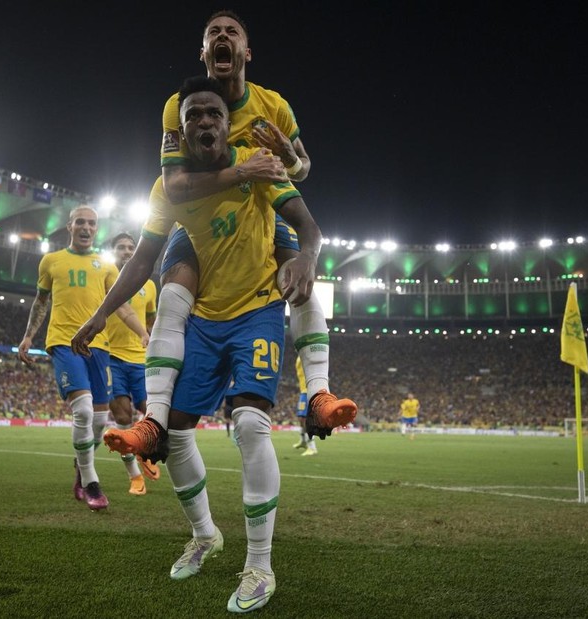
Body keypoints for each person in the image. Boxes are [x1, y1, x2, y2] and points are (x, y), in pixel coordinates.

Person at [72, 76, 323, 613]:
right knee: (177, 438)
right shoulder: (169, 189)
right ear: (179, 132)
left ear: (225, 122)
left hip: (256, 309)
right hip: (205, 321)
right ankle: (206, 534)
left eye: (213, 114)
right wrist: (96, 318)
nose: (205, 122)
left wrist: (305, 256)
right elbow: (141, 261)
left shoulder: (256, 160)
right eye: (193, 117)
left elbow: (306, 221)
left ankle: (259, 565)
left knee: (252, 424)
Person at [104, 10, 355, 461]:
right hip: (196, 216)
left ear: (246, 52)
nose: (223, 37)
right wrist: (243, 169)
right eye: (213, 34)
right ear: (203, 53)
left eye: (231, 32)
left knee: (295, 272)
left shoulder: (273, 105)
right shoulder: (175, 106)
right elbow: (175, 186)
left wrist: (289, 161)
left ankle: (319, 394)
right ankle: (155, 420)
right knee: (174, 286)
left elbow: (303, 168)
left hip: (259, 207)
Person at [17, 206, 150, 512]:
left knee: (100, 419)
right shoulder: (51, 261)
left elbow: (123, 308)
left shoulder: (105, 266)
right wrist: (28, 336)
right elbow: (41, 302)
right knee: (85, 411)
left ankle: (80, 466)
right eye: (80, 222)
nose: (86, 227)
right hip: (64, 342)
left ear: (96, 229)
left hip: (99, 346)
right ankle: (91, 481)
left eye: (91, 223)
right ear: (70, 226)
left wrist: (144, 333)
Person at [104, 231, 160, 495]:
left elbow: (151, 320)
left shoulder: (149, 285)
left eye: (130, 247)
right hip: (110, 357)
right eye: (120, 247)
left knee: (152, 414)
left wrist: (151, 341)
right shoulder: (104, 279)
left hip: (140, 361)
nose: (126, 251)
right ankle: (135, 477)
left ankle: (144, 453)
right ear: (112, 251)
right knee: (123, 417)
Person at [291, 358, 317, 456]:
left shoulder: (307, 356)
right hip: (303, 392)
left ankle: (312, 447)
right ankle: (303, 441)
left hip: (308, 391)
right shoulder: (299, 358)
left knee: (305, 420)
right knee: (301, 419)